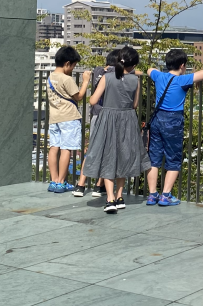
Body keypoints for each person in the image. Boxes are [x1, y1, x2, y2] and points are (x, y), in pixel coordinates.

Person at [82, 47, 152, 213]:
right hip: (128, 119)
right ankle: (120, 196)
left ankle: (110, 198)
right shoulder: (136, 80)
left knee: (108, 156)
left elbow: (92, 100)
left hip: (108, 118)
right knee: (123, 156)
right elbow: (135, 105)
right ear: (134, 64)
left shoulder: (107, 77)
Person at [146, 50, 203, 206]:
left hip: (157, 119)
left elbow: (149, 70)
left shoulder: (159, 76)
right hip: (173, 121)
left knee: (154, 158)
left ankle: (152, 194)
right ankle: (165, 195)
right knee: (173, 158)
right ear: (182, 65)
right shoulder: (183, 80)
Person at [46, 46, 91, 193]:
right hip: (69, 118)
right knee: (67, 149)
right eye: (73, 65)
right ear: (67, 63)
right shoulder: (67, 79)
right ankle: (61, 182)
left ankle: (53, 181)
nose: (73, 68)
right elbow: (78, 96)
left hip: (54, 118)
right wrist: (85, 81)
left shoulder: (50, 77)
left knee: (54, 147)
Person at [73, 57, 114, 198]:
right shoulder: (114, 73)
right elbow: (133, 72)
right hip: (108, 115)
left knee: (92, 151)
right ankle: (98, 186)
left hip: (95, 114)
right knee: (107, 151)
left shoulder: (97, 70)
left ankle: (80, 185)